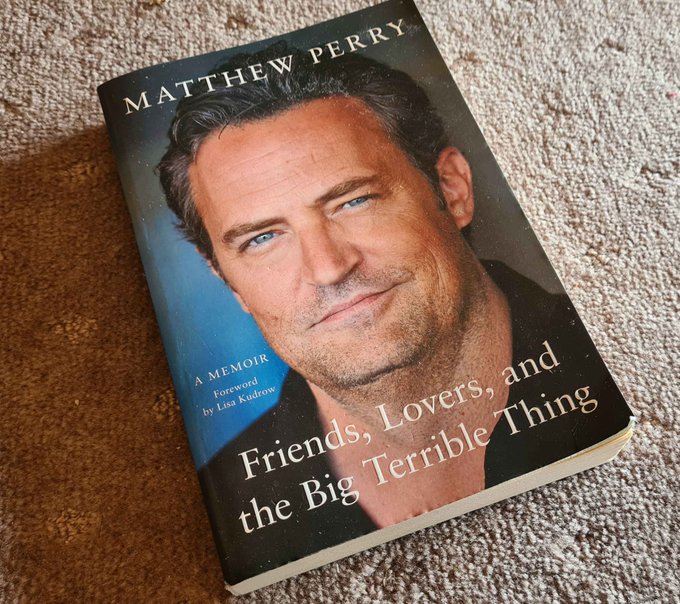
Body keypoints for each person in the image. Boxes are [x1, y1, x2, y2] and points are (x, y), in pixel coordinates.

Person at [158, 44, 629, 583]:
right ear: (226, 279)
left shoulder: (617, 357)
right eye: (262, 238)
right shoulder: (233, 500)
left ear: (451, 190)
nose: (328, 268)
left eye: (353, 201)